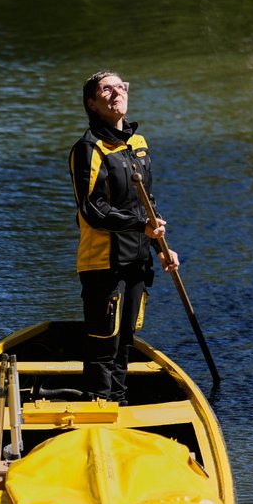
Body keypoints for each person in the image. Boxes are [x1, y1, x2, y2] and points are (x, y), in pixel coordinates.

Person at [68, 70, 179, 404]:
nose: (116, 92)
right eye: (106, 89)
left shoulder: (138, 144)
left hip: (137, 260)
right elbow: (93, 210)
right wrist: (141, 225)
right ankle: (99, 409)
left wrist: (161, 247)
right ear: (92, 103)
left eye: (120, 86)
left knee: (126, 342)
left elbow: (148, 203)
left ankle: (120, 407)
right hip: (104, 264)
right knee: (105, 344)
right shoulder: (89, 149)